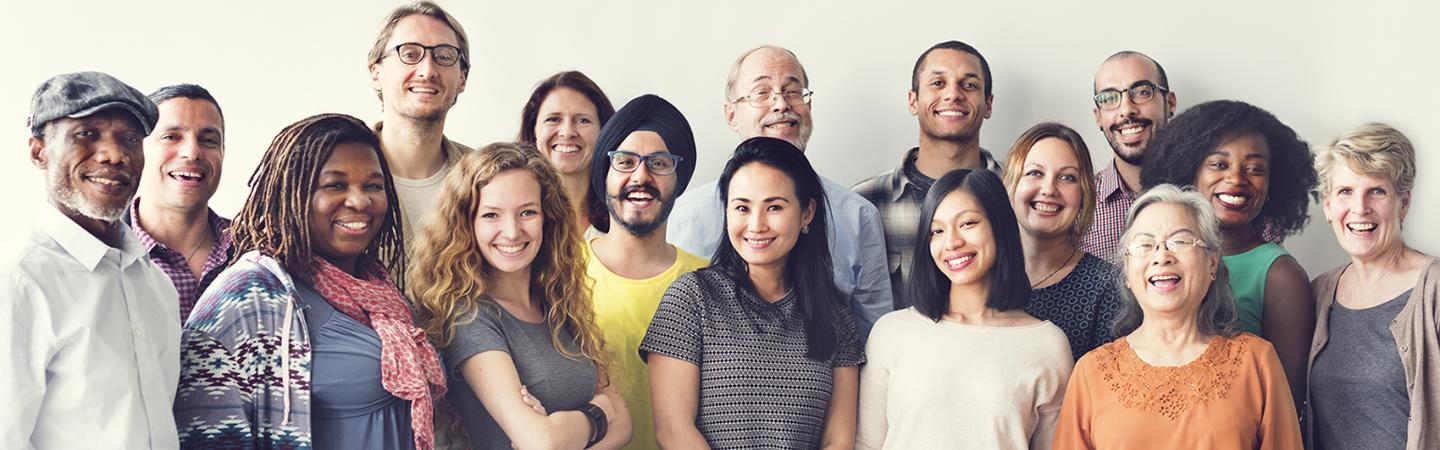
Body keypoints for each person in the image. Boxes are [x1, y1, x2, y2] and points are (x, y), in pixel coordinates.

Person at [175, 114, 446, 450]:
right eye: (336, 185)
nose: (360, 201)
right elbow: (203, 432)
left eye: (373, 186)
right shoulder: (248, 296)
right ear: (291, 193)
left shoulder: (380, 290)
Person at [643, 137, 864, 449]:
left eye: (774, 207)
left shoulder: (834, 314)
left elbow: (838, 441)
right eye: (742, 208)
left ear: (807, 213)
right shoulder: (691, 298)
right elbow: (673, 431)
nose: (756, 224)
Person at [410, 143, 632, 449]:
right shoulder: (467, 316)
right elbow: (542, 441)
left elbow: (624, 426)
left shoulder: (559, 302)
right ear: (466, 223)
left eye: (527, 212)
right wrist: (599, 414)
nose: (512, 231)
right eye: (491, 215)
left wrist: (564, 431)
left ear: (547, 218)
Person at [3, 71, 179, 449]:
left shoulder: (157, 285)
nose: (114, 154)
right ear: (38, 151)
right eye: (86, 133)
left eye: (129, 139)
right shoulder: (19, 282)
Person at [1052, 184, 1302, 449]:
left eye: (1180, 241)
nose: (1161, 256)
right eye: (1144, 245)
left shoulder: (1257, 361)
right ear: (1127, 272)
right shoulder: (1091, 373)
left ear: (1212, 262)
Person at [668, 45, 892, 338]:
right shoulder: (686, 216)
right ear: (731, 114)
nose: (781, 104)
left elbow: (875, 336)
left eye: (793, 91)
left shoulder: (857, 215)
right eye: (762, 93)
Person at [857, 169, 1072, 449]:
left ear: (1000, 226)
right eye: (937, 231)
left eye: (967, 223)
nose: (952, 242)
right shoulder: (891, 332)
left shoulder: (1046, 344)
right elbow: (866, 444)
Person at [1141, 100, 1317, 413]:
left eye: (1255, 169)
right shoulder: (1157, 262)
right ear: (1190, 171)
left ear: (1273, 184)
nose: (1236, 178)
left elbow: (1286, 404)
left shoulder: (1279, 275)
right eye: (1219, 165)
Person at [583, 94, 706, 450]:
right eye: (625, 161)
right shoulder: (558, 273)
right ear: (604, 174)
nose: (641, 176)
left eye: (659, 163)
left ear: (679, 179)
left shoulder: (710, 282)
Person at [1307, 123, 1439, 450]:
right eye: (1345, 191)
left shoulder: (1434, 290)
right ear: (1328, 206)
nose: (1360, 208)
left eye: (1377, 191)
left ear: (1403, 203)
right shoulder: (1318, 293)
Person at [854, 40, 1002, 308]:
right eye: (937, 83)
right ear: (913, 101)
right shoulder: (864, 203)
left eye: (969, 85)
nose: (953, 94)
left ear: (988, 104)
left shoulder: (1019, 192)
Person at [1002, 123, 1121, 359]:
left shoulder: (1108, 288)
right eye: (1035, 173)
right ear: (1010, 184)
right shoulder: (979, 273)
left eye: (1067, 177)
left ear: (1084, 194)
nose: (1049, 189)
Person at [366, 0, 475, 252]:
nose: (427, 70)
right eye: (409, 54)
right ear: (376, 73)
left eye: (444, 56)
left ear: (462, 79)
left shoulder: (485, 178)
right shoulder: (332, 170)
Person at [127, 83, 233, 323]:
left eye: (208, 140)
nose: (192, 152)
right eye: (171, 137)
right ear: (136, 149)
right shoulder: (100, 254)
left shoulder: (259, 251)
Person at [1079, 51, 1176, 259]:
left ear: (1170, 103)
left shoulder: (1208, 193)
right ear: (1098, 116)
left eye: (1141, 92)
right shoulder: (1078, 207)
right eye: (1109, 98)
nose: (1126, 110)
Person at [517, 70, 616, 236]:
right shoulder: (512, 215)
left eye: (582, 120)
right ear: (533, 130)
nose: (567, 132)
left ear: (604, 131)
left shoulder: (623, 213)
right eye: (553, 119)